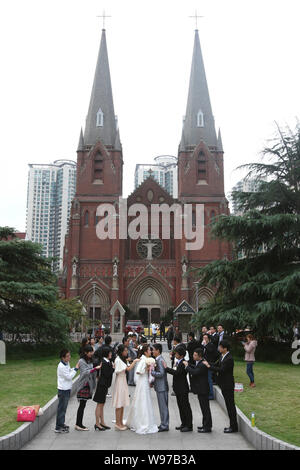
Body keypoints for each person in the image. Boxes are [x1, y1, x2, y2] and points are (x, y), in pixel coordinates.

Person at [203, 340, 238, 433]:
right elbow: (216, 364)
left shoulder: (229, 359)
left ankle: (234, 427)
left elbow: (221, 369)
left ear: (225, 348)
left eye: (220, 347)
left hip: (228, 384)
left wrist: (209, 367)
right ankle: (232, 425)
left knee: (230, 406)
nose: (218, 348)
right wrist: (208, 363)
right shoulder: (222, 356)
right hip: (223, 384)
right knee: (228, 405)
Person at [125, 344, 159, 434]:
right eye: (149, 350)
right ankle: (142, 422)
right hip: (142, 382)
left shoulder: (146, 359)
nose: (151, 351)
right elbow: (138, 371)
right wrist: (147, 368)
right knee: (142, 400)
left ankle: (145, 421)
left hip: (145, 382)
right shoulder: (143, 360)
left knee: (145, 400)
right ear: (145, 352)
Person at [164, 345, 193, 432]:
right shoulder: (178, 361)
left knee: (185, 407)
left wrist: (166, 368)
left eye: (176, 354)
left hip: (183, 388)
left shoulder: (183, 363)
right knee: (180, 407)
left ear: (181, 355)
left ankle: (189, 425)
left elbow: (177, 373)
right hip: (178, 388)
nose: (175, 355)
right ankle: (183, 423)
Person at [184, 348, 212, 433]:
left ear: (199, 356)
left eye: (195, 355)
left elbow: (195, 372)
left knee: (205, 408)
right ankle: (205, 424)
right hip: (201, 389)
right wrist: (189, 364)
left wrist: (187, 366)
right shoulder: (200, 362)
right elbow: (195, 367)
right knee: (203, 408)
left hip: (203, 389)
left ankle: (207, 427)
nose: (193, 356)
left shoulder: (203, 364)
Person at [112, 344, 140, 431]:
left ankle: (120, 422)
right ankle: (117, 423)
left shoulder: (122, 359)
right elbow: (127, 369)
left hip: (123, 380)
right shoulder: (118, 360)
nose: (126, 352)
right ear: (121, 351)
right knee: (119, 403)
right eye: (125, 350)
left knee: (122, 403)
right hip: (120, 381)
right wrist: (134, 362)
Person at [75, 345, 101, 431]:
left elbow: (91, 372)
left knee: (83, 405)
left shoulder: (90, 361)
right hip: (83, 386)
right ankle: (78, 424)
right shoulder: (81, 361)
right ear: (85, 352)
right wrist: (94, 369)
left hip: (88, 386)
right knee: (82, 405)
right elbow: (84, 373)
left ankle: (79, 424)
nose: (91, 353)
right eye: (90, 352)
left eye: (92, 352)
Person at [55, 349, 80, 433]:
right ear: (63, 357)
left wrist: (73, 369)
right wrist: (76, 369)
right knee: (61, 408)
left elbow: (69, 371)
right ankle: (58, 427)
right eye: (67, 356)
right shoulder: (61, 366)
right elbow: (69, 377)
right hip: (63, 390)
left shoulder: (66, 363)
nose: (69, 357)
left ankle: (61, 423)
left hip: (67, 388)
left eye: (69, 355)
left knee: (64, 408)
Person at [93, 346, 115, 431]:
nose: (111, 354)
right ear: (106, 354)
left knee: (102, 404)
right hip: (102, 385)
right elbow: (107, 374)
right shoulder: (104, 362)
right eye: (110, 353)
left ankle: (102, 422)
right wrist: (113, 368)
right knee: (99, 404)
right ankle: (97, 423)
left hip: (104, 385)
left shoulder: (107, 361)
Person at [151, 343, 169, 432]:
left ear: (158, 351)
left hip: (162, 387)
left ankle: (165, 425)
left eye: (153, 350)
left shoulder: (160, 360)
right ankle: (163, 423)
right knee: (162, 407)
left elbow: (161, 373)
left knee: (163, 407)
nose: (152, 351)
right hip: (160, 386)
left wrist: (152, 372)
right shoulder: (157, 359)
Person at [202, 334, 219, 399]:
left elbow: (211, 351)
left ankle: (211, 394)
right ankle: (207, 392)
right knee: (206, 379)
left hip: (210, 363)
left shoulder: (211, 345)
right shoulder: (204, 345)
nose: (204, 339)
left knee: (209, 379)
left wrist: (204, 346)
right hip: (205, 363)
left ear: (209, 339)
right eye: (204, 338)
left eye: (206, 338)